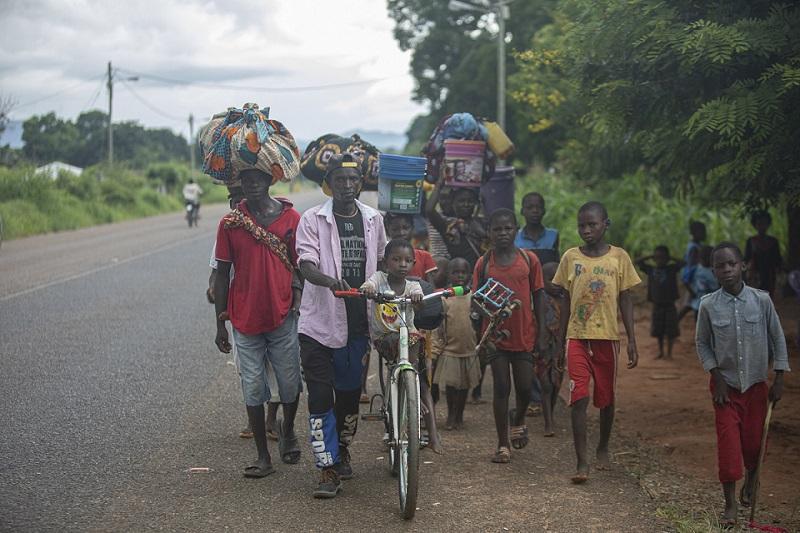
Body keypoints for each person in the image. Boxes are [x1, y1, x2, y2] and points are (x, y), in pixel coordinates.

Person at [296, 153, 387, 499]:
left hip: (357, 326)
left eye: (353, 180)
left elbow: (380, 262)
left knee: (349, 398)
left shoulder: (373, 219)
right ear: (329, 184)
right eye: (340, 181)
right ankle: (326, 468)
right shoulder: (312, 219)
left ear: (361, 184)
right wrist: (329, 281)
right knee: (320, 396)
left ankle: (342, 448)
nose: (347, 187)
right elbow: (306, 265)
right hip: (318, 324)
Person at [213, 168, 303, 478]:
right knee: (253, 387)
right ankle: (263, 456)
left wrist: (297, 298)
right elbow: (222, 273)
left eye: (257, 179)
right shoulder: (230, 223)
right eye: (245, 180)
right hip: (243, 317)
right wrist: (219, 323)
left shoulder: (292, 219)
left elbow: (300, 265)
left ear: (269, 181)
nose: (251, 185)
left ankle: (287, 429)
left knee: (291, 384)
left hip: (282, 315)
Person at [695, 242, 789, 528]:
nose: (727, 270)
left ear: (743, 265)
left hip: (757, 388)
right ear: (714, 271)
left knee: (753, 443)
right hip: (726, 389)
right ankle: (730, 505)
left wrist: (780, 377)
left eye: (732, 263)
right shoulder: (708, 305)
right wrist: (717, 376)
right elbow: (702, 343)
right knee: (728, 446)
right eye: (720, 266)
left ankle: (752, 480)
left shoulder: (761, 301)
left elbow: (777, 337)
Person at [552, 201, 640, 484]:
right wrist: (559, 339)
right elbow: (564, 299)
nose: (586, 230)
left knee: (606, 399)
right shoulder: (570, 258)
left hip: (607, 339)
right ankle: (581, 462)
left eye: (592, 224)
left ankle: (603, 445)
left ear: (606, 224)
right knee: (580, 398)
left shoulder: (619, 258)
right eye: (582, 225)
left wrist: (632, 340)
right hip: (577, 337)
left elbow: (626, 298)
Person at [209, 184, 284, 440]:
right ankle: (256, 422)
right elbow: (217, 273)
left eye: (241, 199)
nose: (237, 205)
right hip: (240, 310)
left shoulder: (274, 224)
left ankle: (271, 419)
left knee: (276, 368)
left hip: (274, 308)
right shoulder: (228, 228)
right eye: (233, 201)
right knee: (248, 371)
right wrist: (218, 310)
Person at [473, 208, 546, 464]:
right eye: (497, 229)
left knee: (525, 387)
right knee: (502, 387)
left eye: (508, 228)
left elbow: (538, 294)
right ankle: (503, 444)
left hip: (525, 333)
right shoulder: (483, 263)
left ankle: (519, 418)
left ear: (516, 230)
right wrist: (480, 336)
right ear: (489, 232)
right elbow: (476, 300)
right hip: (495, 336)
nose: (503, 233)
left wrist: (543, 332)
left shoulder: (529, 260)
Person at [361, 239, 443, 453]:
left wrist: (418, 299)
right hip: (385, 338)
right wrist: (368, 290)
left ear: (414, 263)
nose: (402, 264)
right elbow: (367, 285)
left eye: (407, 260)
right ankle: (407, 389)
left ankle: (431, 430)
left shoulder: (413, 285)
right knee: (398, 342)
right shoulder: (379, 279)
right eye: (396, 260)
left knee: (420, 374)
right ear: (386, 262)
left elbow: (421, 303)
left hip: (409, 341)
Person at [515, 191, 560, 416]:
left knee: (548, 343)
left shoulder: (553, 236)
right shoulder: (515, 238)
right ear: (522, 210)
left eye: (538, 207)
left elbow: (556, 267)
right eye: (529, 207)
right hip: (524, 297)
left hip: (547, 297)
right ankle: (533, 397)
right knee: (528, 344)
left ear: (544, 210)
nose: (534, 211)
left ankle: (548, 394)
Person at [432, 257, 480, 430]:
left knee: (465, 385)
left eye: (463, 272)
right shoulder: (445, 299)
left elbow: (478, 320)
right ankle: (451, 414)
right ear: (448, 275)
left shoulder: (474, 297)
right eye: (455, 272)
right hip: (450, 350)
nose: (460, 275)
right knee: (451, 386)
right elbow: (440, 327)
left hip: (468, 349)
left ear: (469, 275)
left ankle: (460, 414)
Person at [426, 172, 488, 268]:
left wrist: (482, 234)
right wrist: (439, 183)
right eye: (461, 201)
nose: (466, 204)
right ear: (453, 203)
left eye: (470, 201)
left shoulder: (482, 222)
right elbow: (429, 210)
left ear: (475, 203)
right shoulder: (450, 226)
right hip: (460, 276)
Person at [636, 246, 684, 359]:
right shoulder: (651, 269)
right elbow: (637, 262)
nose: (660, 260)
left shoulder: (671, 268)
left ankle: (669, 353)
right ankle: (661, 351)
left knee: (671, 330)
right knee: (659, 330)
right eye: (657, 258)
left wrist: (670, 257)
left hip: (670, 304)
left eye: (663, 258)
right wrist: (650, 256)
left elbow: (684, 263)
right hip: (657, 304)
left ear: (667, 259)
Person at [536, 262, 566, 437]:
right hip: (542, 346)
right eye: (551, 279)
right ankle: (548, 422)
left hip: (559, 348)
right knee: (545, 384)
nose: (555, 283)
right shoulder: (539, 299)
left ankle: (550, 415)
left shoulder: (566, 299)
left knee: (556, 383)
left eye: (559, 279)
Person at [384, 212, 438, 284]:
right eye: (395, 229)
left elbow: (430, 289)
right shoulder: (383, 256)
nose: (401, 233)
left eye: (405, 228)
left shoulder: (425, 256)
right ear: (388, 230)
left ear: (412, 228)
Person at [744, 210, 782, 296]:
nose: (762, 226)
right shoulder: (751, 241)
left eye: (764, 223)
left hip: (770, 274)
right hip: (755, 275)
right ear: (755, 225)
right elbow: (746, 258)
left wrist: (780, 271)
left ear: (768, 224)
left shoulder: (773, 241)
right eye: (759, 224)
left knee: (769, 296)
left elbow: (778, 259)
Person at [678, 220, 707, 321]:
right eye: (702, 231)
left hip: (695, 281)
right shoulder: (694, 248)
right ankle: (671, 328)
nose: (704, 234)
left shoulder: (698, 246)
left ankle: (672, 327)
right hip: (693, 281)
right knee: (690, 305)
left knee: (690, 305)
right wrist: (687, 282)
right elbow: (690, 266)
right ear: (694, 233)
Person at [689, 245, 719, 318]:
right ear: (699, 258)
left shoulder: (715, 270)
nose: (705, 260)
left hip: (713, 301)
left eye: (708, 258)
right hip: (698, 300)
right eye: (703, 257)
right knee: (698, 320)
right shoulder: (696, 269)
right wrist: (691, 292)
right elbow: (686, 280)